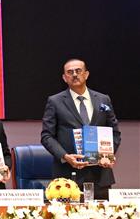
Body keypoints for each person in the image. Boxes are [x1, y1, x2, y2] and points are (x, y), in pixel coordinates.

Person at [41, 58, 120, 200]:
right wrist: (65, 156)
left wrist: (107, 155)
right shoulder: (55, 101)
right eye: (70, 72)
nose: (74, 75)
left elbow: (114, 132)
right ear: (65, 78)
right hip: (67, 179)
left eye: (78, 71)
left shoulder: (103, 100)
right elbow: (47, 136)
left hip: (100, 175)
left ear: (86, 74)